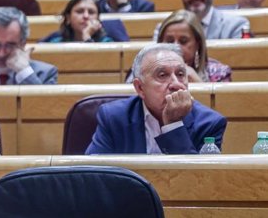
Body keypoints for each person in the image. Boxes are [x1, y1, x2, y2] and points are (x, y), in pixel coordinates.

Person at [85, 43, 226, 154]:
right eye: (162, 75)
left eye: (181, 74)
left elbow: (199, 184)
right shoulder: (114, 117)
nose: (176, 84)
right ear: (140, 88)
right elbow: (94, 175)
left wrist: (173, 125)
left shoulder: (209, 123)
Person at [157, 10, 231, 83]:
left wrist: (198, 82)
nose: (175, 47)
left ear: (197, 44)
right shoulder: (148, 74)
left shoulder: (219, 73)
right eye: (169, 41)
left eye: (183, 41)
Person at [43, 0, 113, 43]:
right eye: (80, 11)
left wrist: (87, 37)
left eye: (91, 12)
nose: (86, 16)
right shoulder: (56, 44)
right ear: (68, 18)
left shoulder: (107, 43)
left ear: (98, 19)